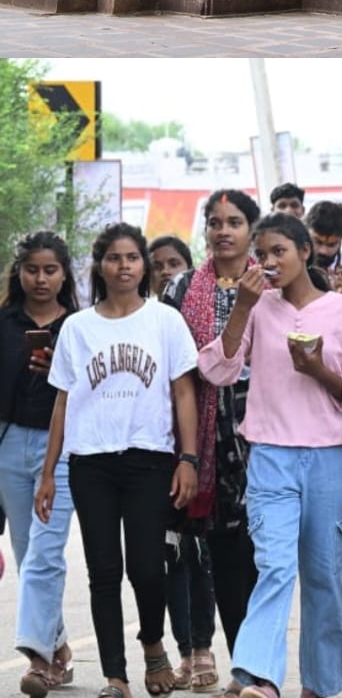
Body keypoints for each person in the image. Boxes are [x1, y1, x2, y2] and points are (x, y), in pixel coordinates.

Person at [196, 213, 342, 698]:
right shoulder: (256, 307)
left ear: (303, 253)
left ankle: (320, 685)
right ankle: (259, 678)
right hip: (271, 454)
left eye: (280, 251)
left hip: (330, 460)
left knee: (322, 576)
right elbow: (217, 369)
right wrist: (242, 307)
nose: (271, 262)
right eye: (264, 253)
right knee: (274, 566)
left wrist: (318, 369)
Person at [36, 223, 199, 698]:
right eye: (113, 258)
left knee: (147, 568)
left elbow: (183, 392)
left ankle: (152, 644)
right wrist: (48, 473)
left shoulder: (165, 321)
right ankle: (115, 677)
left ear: (143, 265)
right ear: (99, 266)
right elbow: (63, 401)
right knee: (103, 569)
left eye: (132, 257)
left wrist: (187, 458)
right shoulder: (77, 327)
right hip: (91, 463)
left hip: (150, 458)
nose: (123, 266)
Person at [163, 191, 260, 658]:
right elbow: (173, 370)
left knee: (265, 557)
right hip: (205, 436)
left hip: (265, 436)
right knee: (223, 554)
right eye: (215, 222)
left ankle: (262, 662)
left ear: (251, 231)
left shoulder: (276, 282)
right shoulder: (181, 289)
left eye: (234, 222)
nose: (223, 231)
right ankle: (245, 661)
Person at [0, 233, 79, 697]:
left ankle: (40, 660)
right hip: (8, 444)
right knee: (30, 554)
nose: (41, 278)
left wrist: (56, 370)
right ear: (19, 271)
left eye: (50, 270)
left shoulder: (80, 326)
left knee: (46, 553)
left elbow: (87, 393)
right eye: (32, 269)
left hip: (64, 450)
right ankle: (60, 645)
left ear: (65, 274)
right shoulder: (5, 322)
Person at [147, 239, 217, 693]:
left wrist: (193, 454)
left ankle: (204, 647)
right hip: (154, 451)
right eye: (158, 266)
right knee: (168, 556)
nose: (166, 272)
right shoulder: (140, 323)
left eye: (175, 264)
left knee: (199, 553)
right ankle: (183, 649)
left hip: (202, 447)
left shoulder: (199, 319)